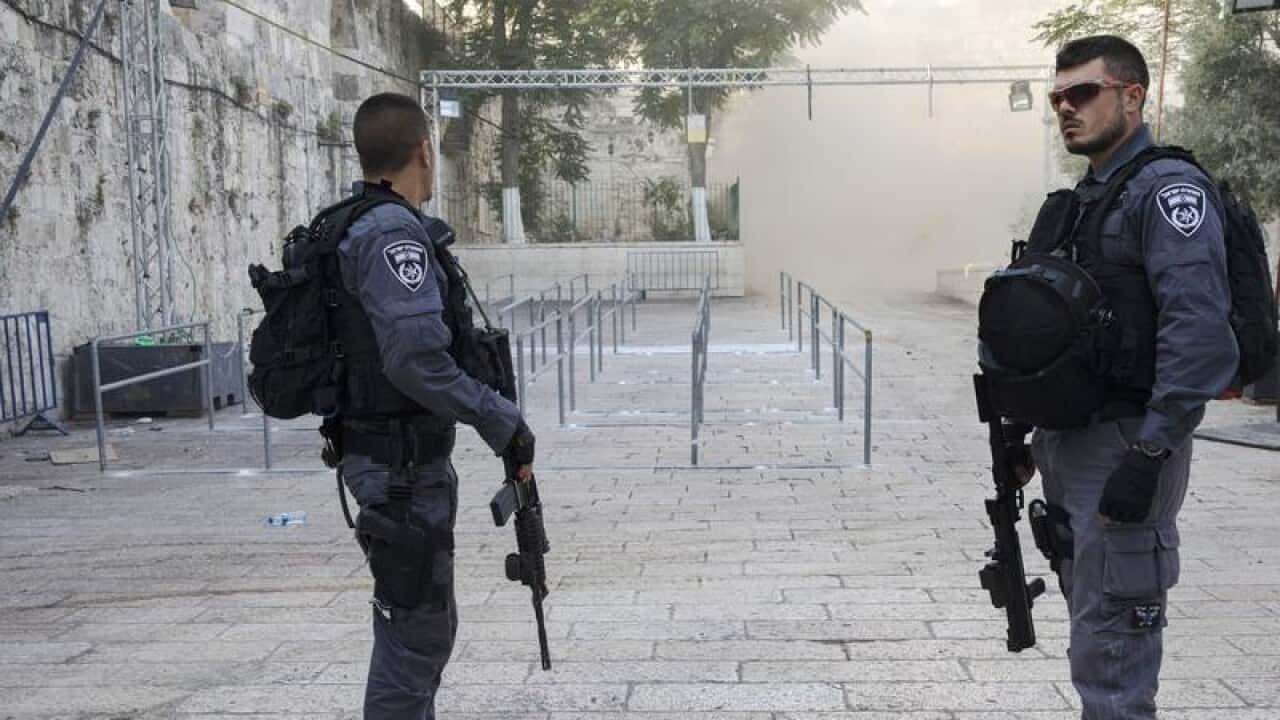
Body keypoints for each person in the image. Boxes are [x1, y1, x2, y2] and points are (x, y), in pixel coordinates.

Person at [1011, 36, 1239, 719]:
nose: (1065, 109)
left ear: (1131, 96)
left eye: (1082, 93)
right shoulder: (1087, 198)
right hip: (1076, 441)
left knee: (1115, 655)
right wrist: (1029, 433)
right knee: (1096, 631)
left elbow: (1199, 334)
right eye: (1057, 98)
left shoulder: (1167, 192)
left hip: (1128, 443)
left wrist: (1152, 451)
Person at [335, 92, 535, 719]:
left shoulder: (355, 222)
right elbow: (414, 359)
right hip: (400, 472)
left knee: (414, 622)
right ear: (425, 151)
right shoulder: (393, 233)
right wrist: (500, 420)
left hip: (389, 461)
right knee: (417, 629)